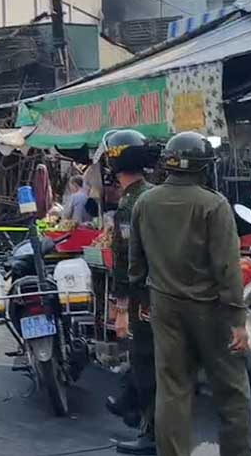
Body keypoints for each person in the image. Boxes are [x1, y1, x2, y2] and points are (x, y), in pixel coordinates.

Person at [129, 131, 251, 456]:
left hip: (165, 307)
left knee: (172, 391)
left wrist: (143, 302)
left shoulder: (145, 202)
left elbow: (135, 262)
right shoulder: (214, 204)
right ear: (204, 167)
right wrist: (238, 321)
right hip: (212, 311)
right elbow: (227, 268)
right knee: (232, 391)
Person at [99, 130, 157, 455]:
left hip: (143, 300)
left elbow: (127, 261)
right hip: (166, 295)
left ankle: (150, 434)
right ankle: (131, 407)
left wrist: (120, 309)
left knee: (146, 364)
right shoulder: (155, 194)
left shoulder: (130, 205)